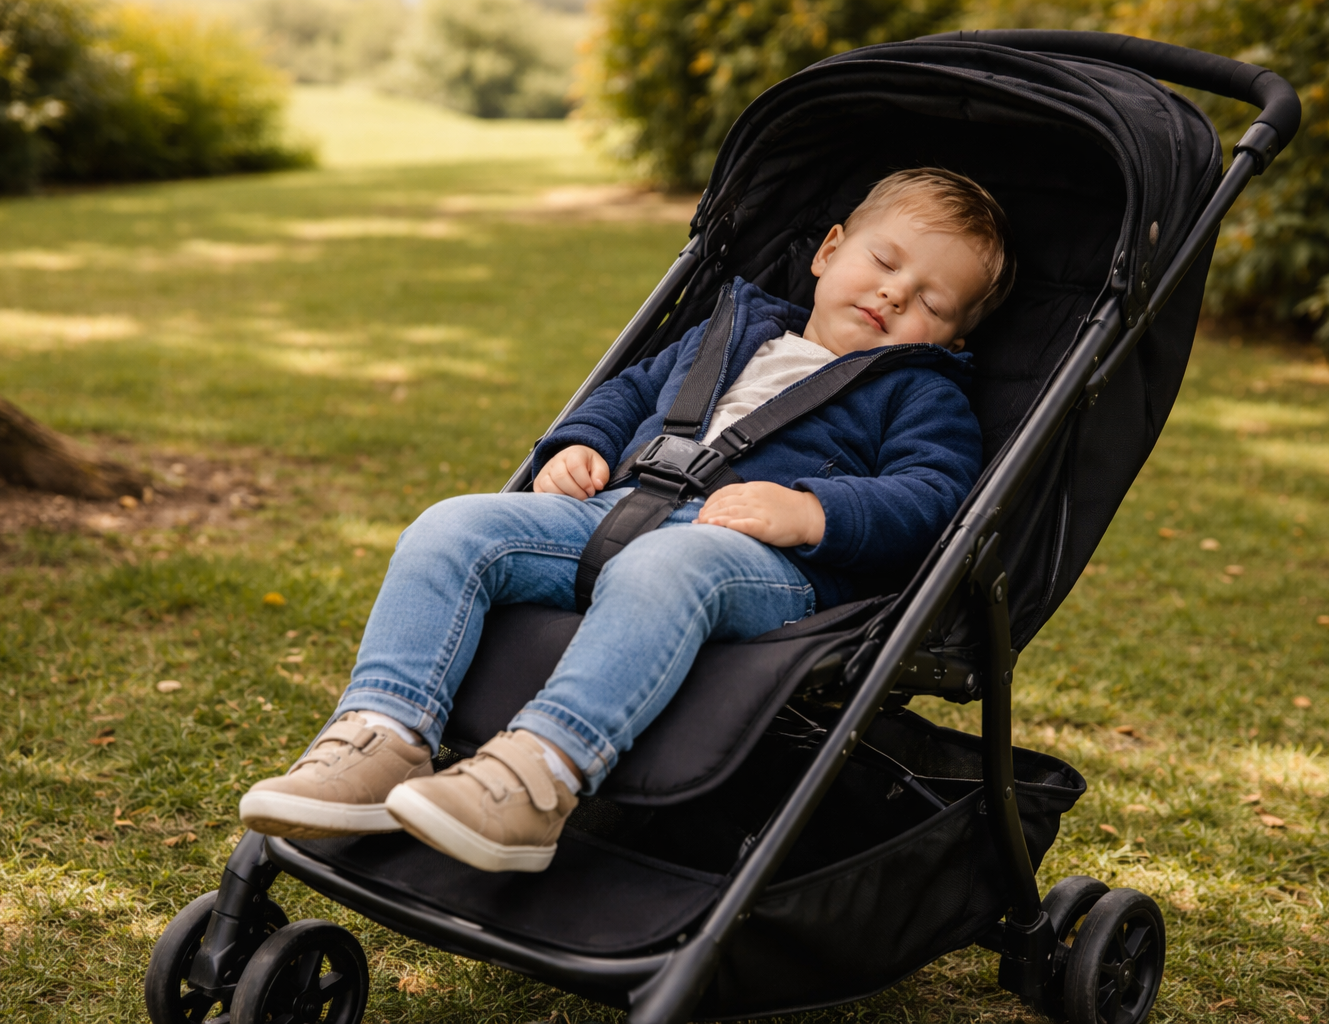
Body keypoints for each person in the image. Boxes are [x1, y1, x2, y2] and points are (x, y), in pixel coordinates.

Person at [238, 168, 1015, 873]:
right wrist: (579, 445)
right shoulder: (731, 328)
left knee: (663, 568)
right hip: (620, 509)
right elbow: (630, 391)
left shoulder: (921, 392)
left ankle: (537, 777)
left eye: (931, 302)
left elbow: (934, 495)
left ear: (953, 336)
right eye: (884, 264)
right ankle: (382, 738)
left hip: (756, 564)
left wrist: (812, 511)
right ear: (828, 252)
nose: (894, 295)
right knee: (453, 529)